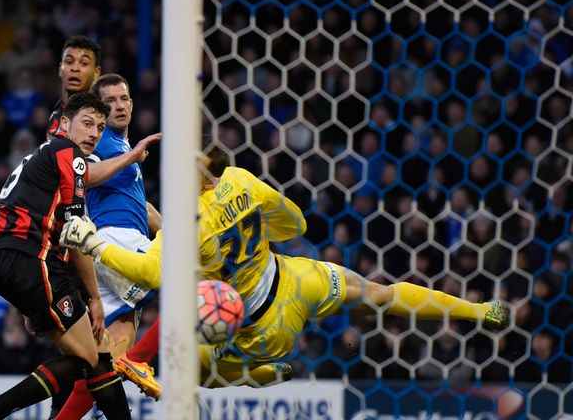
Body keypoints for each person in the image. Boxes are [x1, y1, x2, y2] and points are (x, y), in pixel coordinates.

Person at [60, 149, 511, 388]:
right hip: (296, 278)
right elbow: (295, 220)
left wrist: (94, 244)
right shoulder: (239, 179)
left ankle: (261, 373)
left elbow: (149, 275)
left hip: (260, 325)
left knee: (193, 371)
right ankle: (478, 311)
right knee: (379, 294)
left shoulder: (186, 226)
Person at [0, 92, 131, 420]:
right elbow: (76, 233)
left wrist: (30, 296)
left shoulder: (39, 157)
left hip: (6, 259)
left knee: (98, 350)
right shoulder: (70, 154)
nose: (94, 133)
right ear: (64, 123)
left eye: (100, 127)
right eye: (87, 123)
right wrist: (94, 297)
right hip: (31, 259)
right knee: (87, 357)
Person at [53, 74, 162, 419]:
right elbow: (83, 175)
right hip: (116, 241)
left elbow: (143, 208)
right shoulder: (102, 144)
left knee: (113, 342)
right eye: (110, 101)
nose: (119, 105)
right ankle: (139, 363)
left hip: (121, 242)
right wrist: (131, 158)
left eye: (124, 98)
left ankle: (96, 409)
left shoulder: (122, 147)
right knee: (192, 285)